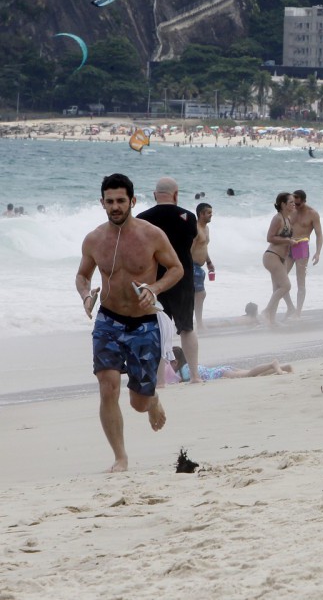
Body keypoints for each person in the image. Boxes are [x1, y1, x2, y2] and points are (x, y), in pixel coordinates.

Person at [76, 173, 182, 472]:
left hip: (144, 323)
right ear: (102, 202)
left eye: (121, 200)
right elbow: (82, 275)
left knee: (138, 402)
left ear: (132, 201)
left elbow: (176, 268)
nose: (115, 207)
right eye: (109, 201)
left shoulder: (152, 235)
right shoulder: (94, 239)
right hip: (108, 320)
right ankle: (120, 457)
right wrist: (86, 295)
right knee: (108, 387)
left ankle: (152, 400)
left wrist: (155, 288)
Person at [137, 177, 200, 384]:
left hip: (155, 282)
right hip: (182, 278)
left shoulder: (142, 219)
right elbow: (191, 245)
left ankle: (160, 382)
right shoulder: (188, 217)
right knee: (186, 328)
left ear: (155, 195)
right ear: (176, 194)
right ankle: (195, 376)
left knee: (157, 331)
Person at [263, 192, 298, 326]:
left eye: (294, 202)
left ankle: (272, 321)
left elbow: (285, 238)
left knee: (277, 289)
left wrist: (293, 241)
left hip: (281, 258)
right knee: (286, 286)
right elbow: (269, 237)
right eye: (291, 202)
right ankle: (266, 311)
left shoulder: (287, 219)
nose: (294, 204)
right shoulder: (277, 218)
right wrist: (288, 241)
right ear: (283, 204)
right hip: (272, 256)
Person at [289, 189, 323, 317]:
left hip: (302, 246)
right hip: (288, 245)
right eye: (294, 203)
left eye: (298, 204)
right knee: (281, 280)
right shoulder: (290, 210)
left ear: (304, 201)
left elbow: (319, 235)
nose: (296, 206)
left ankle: (298, 312)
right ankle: (290, 307)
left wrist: (318, 252)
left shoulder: (312, 214)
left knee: (300, 281)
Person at [191, 202, 215, 333]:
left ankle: (196, 323)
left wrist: (209, 262)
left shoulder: (206, 228)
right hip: (192, 266)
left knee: (198, 295)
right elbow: (188, 249)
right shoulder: (195, 229)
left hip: (199, 266)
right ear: (201, 214)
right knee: (200, 294)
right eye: (209, 213)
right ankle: (198, 324)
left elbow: (204, 247)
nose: (211, 215)